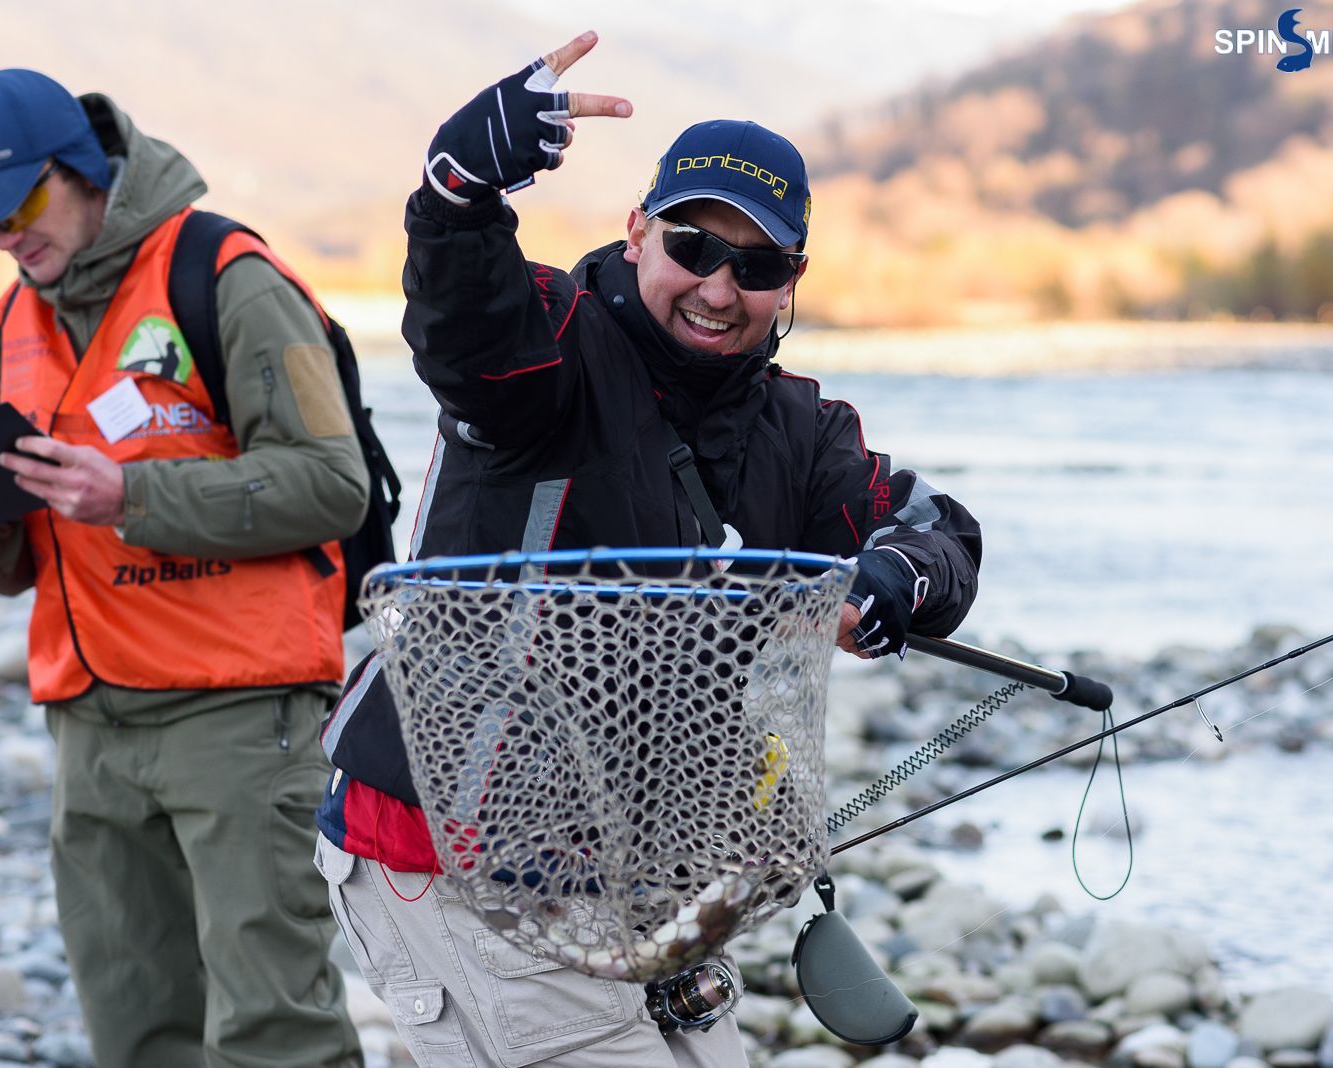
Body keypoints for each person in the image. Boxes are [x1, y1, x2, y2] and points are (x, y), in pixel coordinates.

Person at [314, 32, 981, 1067]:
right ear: (636, 234)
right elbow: (463, 329)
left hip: (644, 878)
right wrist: (458, 191)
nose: (719, 288)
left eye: (756, 266)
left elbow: (934, 528)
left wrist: (897, 579)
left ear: (791, 282)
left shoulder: (804, 433)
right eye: (693, 247)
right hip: (446, 857)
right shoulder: (547, 348)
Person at [0, 69, 366, 1068]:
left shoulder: (227, 276)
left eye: (22, 205)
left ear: (85, 171)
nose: (5, 235)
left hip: (237, 717)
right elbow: (6, 570)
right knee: (136, 1029)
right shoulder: (12, 326)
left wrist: (128, 497)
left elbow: (330, 486)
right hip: (89, 724)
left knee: (275, 1031)